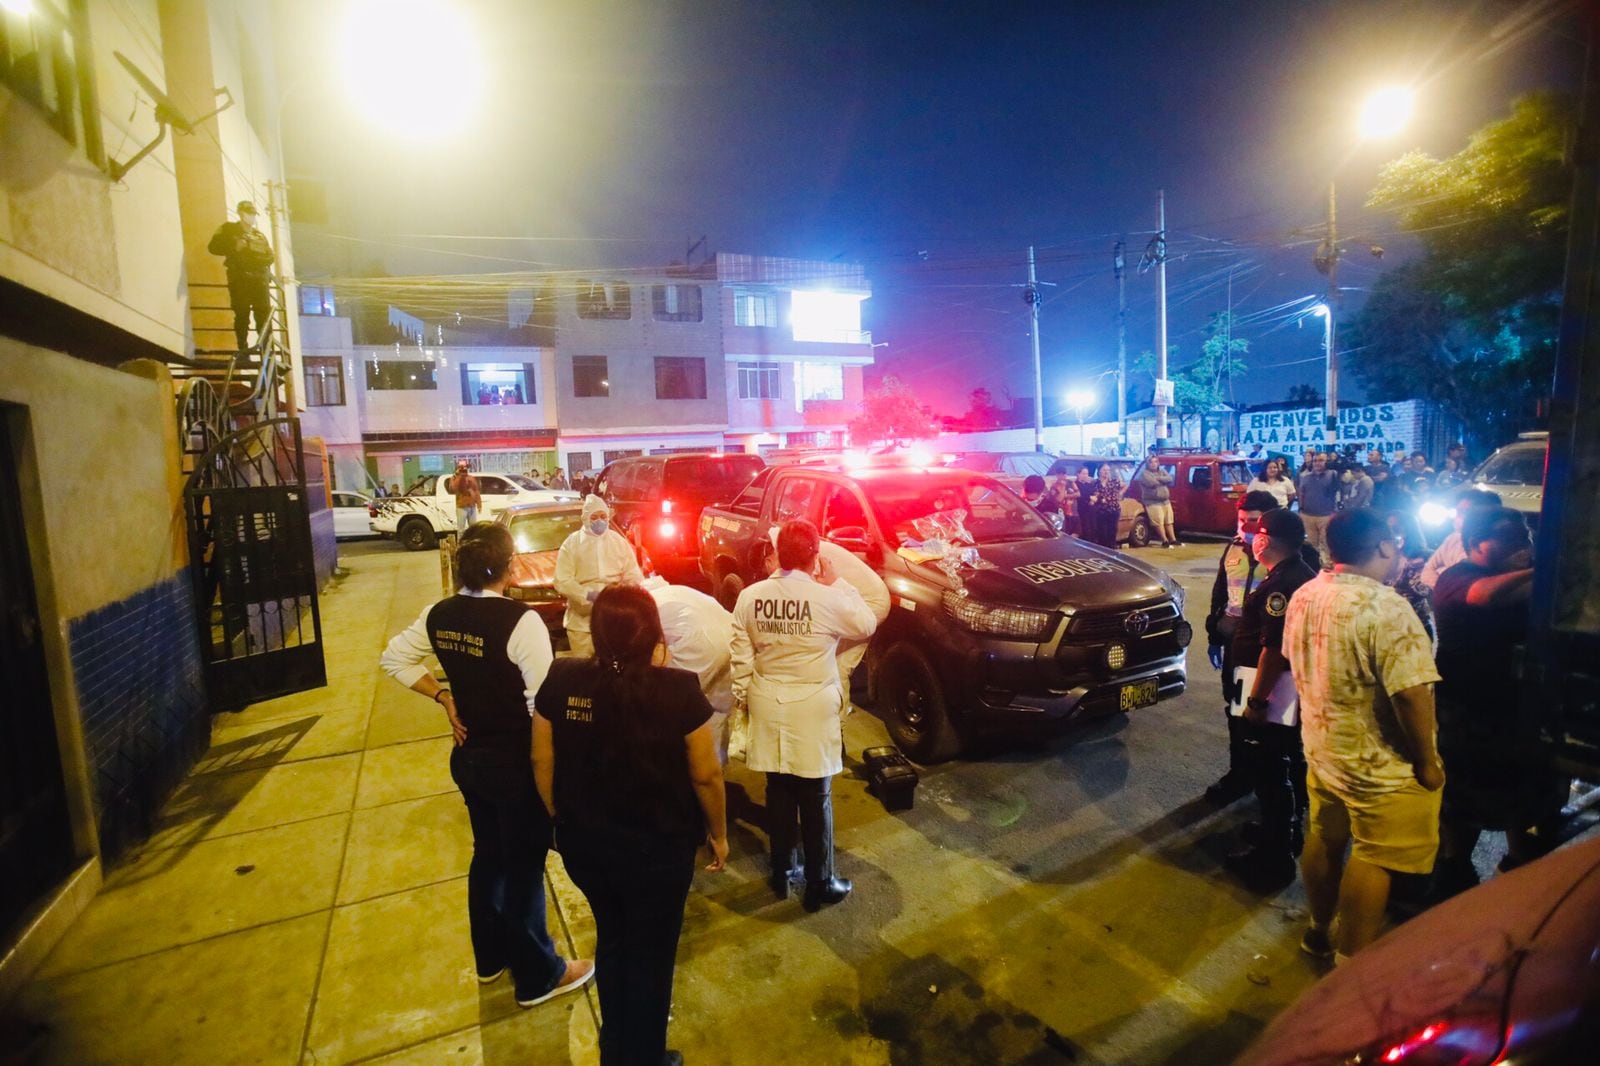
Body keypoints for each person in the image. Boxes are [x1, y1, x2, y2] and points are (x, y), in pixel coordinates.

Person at [379, 523, 594, 1008]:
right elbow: (543, 706)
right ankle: (540, 975)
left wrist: (443, 697)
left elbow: (394, 658)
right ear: (510, 566)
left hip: (470, 760)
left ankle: (490, 957)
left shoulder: (439, 614)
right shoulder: (521, 623)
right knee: (522, 867)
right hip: (514, 765)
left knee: (489, 857)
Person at [534, 586, 728, 1066]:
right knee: (651, 956)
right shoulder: (679, 689)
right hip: (657, 855)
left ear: (594, 633)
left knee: (615, 939)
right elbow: (706, 774)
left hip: (587, 847)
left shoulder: (561, 677)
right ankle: (642, 1056)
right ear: (655, 636)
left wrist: (558, 817)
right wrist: (718, 834)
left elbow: (542, 757)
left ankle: (616, 1048)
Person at [1284, 508, 1444, 963]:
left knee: (1326, 835)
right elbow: (1412, 695)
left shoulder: (1306, 593)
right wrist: (1428, 763)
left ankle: (1317, 930)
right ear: (1385, 546)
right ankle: (1349, 965)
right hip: (1378, 766)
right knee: (1375, 856)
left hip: (1323, 751)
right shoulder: (1386, 606)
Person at [732, 519, 877, 910]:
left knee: (777, 790)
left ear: (778, 555)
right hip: (811, 705)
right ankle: (820, 882)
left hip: (767, 699)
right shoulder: (826, 598)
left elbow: (740, 656)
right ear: (815, 556)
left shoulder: (751, 596)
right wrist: (837, 584)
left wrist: (744, 701)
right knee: (815, 796)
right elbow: (866, 622)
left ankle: (782, 871)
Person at [1430, 507, 1564, 895]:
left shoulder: (1520, 579)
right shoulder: (1458, 577)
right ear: (1476, 545)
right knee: (1463, 795)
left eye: (1525, 538)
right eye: (1510, 539)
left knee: (1521, 789)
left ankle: (1520, 868)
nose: (1523, 547)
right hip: (1466, 708)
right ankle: (1455, 869)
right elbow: (1485, 596)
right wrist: (1550, 569)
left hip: (1515, 705)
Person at [1225, 507, 1319, 890]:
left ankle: (1274, 858)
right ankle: (1279, 833)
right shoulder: (1293, 573)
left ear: (1270, 540)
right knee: (1283, 765)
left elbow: (1275, 649)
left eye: (1257, 534)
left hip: (1275, 692)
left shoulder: (1282, 584)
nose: (1252, 540)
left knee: (1271, 770)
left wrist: (1258, 702)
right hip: (1280, 689)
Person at [1204, 490, 1282, 805]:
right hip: (1234, 640)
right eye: (1241, 520)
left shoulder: (1289, 553)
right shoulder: (1234, 547)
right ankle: (1240, 774)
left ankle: (1270, 782)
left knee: (1266, 714)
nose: (1246, 526)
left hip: (1266, 647)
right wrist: (1214, 632)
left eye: (1253, 521)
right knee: (1235, 709)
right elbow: (1221, 591)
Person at [646, 577, 736, 760]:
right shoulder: (672, 591)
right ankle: (713, 771)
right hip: (730, 635)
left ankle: (688, 771)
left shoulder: (638, 605)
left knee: (678, 706)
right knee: (716, 708)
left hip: (696, 642)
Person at [554, 495, 645, 658]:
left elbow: (633, 575)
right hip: (582, 623)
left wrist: (619, 595)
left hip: (615, 619)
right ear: (585, 518)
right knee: (586, 671)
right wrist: (588, 595)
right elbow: (562, 581)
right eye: (594, 517)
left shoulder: (618, 542)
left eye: (603, 516)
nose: (599, 521)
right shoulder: (571, 544)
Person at [207, 200, 276, 354]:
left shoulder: (259, 235)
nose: (250, 217)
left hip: (259, 280)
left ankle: (266, 349)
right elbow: (213, 247)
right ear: (240, 213)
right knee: (242, 314)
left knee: (263, 316)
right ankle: (243, 348)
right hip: (239, 279)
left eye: (252, 214)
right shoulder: (228, 229)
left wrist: (258, 258)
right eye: (248, 213)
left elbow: (270, 256)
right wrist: (234, 247)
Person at [1420, 489, 1503, 591]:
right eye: (1458, 511)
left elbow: (1465, 586)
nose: (1457, 517)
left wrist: (1441, 573)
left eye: (1464, 512)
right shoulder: (1453, 538)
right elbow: (1427, 570)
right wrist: (1442, 585)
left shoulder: (1488, 546)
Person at [1385, 510, 1435, 645]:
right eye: (1388, 528)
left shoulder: (1426, 557)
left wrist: (1406, 565)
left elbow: (1424, 591)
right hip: (1387, 628)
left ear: (1409, 529)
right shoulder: (1381, 557)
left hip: (1417, 626)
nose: (1392, 533)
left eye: (1396, 528)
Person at [1296, 452, 1340, 559]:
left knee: (1325, 544)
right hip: (1308, 515)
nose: (1317, 463)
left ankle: (1326, 566)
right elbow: (1302, 494)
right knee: (1311, 544)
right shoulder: (1305, 477)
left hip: (1326, 515)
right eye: (1315, 460)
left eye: (1321, 460)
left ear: (1327, 462)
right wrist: (1301, 509)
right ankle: (1315, 565)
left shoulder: (1333, 475)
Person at [1137, 456, 1178, 548]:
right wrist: (1163, 480)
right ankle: (1165, 541)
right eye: (1151, 462)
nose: (1154, 464)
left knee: (1169, 521)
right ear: (1148, 464)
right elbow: (1152, 483)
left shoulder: (1162, 471)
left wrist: (1158, 478)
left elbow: (1170, 479)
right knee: (1158, 522)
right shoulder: (1144, 474)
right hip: (1153, 502)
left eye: (1155, 462)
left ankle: (1173, 540)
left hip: (1165, 501)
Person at [1088, 463, 1124, 548]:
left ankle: (1111, 548)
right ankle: (1103, 549)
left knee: (1112, 531)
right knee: (1102, 532)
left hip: (1114, 509)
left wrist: (1120, 494)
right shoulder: (1095, 483)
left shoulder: (1114, 481)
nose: (1106, 472)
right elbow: (1092, 495)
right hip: (1101, 510)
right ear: (1099, 471)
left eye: (1108, 470)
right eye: (1104, 470)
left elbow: (1125, 485)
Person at [446, 460, 481, 530]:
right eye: (461, 468)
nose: (463, 470)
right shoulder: (455, 478)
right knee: (461, 529)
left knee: (473, 529)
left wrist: (479, 504)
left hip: (472, 506)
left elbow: (476, 491)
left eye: (465, 468)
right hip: (461, 507)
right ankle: (461, 541)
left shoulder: (471, 478)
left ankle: (472, 541)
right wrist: (457, 476)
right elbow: (452, 488)